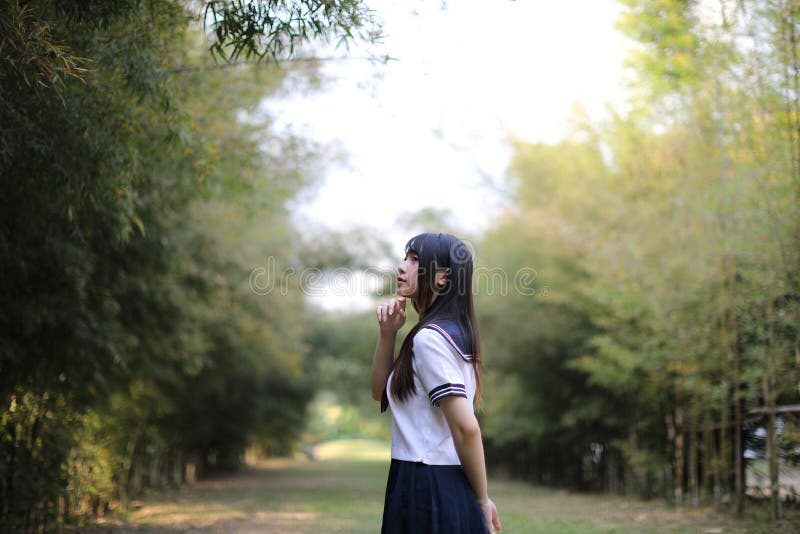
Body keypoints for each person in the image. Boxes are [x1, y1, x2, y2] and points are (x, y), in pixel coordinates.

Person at [371, 232, 502, 534]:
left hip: (427, 485)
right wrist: (387, 334)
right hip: (420, 479)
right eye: (405, 258)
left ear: (442, 278)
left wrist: (482, 500)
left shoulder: (431, 340)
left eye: (415, 260)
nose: (402, 267)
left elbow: (466, 428)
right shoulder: (438, 334)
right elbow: (379, 391)